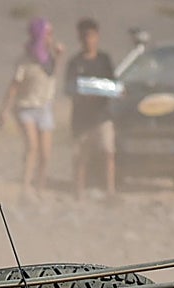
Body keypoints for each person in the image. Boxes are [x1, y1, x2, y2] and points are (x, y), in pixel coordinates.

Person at [0, 17, 65, 198]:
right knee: (32, 147)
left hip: (45, 108)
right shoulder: (25, 60)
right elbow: (14, 86)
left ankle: (40, 188)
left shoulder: (49, 59)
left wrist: (59, 56)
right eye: (47, 34)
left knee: (45, 153)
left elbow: (53, 75)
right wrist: (4, 110)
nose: (50, 37)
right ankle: (25, 188)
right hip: (26, 108)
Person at [65, 18, 118, 199]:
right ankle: (78, 191)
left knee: (108, 152)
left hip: (102, 115)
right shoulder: (75, 62)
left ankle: (110, 190)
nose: (88, 40)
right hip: (82, 118)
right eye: (84, 36)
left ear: (97, 36)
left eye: (91, 36)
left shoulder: (104, 60)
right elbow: (69, 88)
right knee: (81, 155)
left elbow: (113, 84)